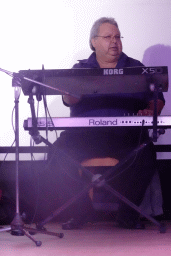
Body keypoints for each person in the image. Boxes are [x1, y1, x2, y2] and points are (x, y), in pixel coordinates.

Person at [47, 17, 165, 229]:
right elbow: (68, 100)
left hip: (125, 135)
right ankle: (81, 211)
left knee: (146, 153)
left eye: (118, 37)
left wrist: (150, 110)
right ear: (93, 41)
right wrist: (73, 90)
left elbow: (157, 99)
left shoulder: (136, 67)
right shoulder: (80, 69)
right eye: (108, 37)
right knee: (56, 154)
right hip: (84, 136)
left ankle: (127, 215)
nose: (114, 42)